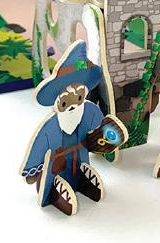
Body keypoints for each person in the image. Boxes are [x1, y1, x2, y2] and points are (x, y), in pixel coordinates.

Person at [20, 40, 125, 215]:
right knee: (54, 180)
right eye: (66, 102)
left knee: (83, 172)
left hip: (81, 158)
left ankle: (84, 183)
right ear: (58, 102)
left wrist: (107, 139)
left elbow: (101, 128)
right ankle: (55, 194)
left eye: (79, 98)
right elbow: (38, 146)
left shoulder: (88, 111)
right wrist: (32, 170)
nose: (73, 106)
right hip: (56, 168)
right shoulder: (51, 126)